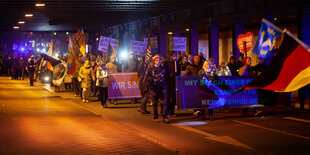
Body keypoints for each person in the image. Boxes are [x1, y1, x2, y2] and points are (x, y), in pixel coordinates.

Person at [146, 55, 169, 123]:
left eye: (159, 60)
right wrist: (152, 80)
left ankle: (165, 117)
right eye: (156, 60)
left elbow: (166, 76)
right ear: (154, 61)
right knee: (155, 103)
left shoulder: (163, 68)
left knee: (165, 102)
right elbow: (147, 78)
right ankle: (155, 117)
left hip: (162, 87)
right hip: (154, 88)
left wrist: (165, 84)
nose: (158, 61)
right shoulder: (151, 69)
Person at [164, 53, 181, 117]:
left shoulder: (176, 63)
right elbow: (164, 72)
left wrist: (176, 74)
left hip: (174, 82)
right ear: (171, 56)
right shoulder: (166, 63)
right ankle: (168, 111)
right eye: (174, 56)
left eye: (175, 56)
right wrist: (169, 75)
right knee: (168, 97)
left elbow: (179, 71)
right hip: (168, 82)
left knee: (174, 97)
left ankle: (172, 111)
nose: (175, 57)